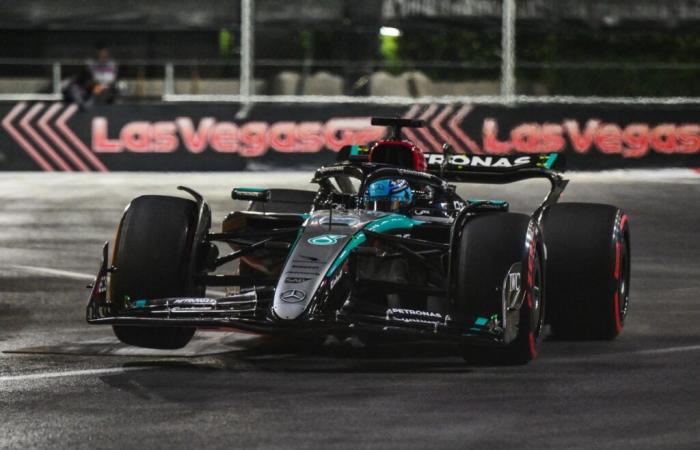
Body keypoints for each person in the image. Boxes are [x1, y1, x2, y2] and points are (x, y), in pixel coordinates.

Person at [63, 43, 119, 109]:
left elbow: (112, 80)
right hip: (89, 92)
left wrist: (102, 86)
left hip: (105, 90)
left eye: (105, 52)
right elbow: (84, 106)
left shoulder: (112, 64)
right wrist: (95, 87)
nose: (103, 54)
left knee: (103, 89)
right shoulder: (90, 63)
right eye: (101, 52)